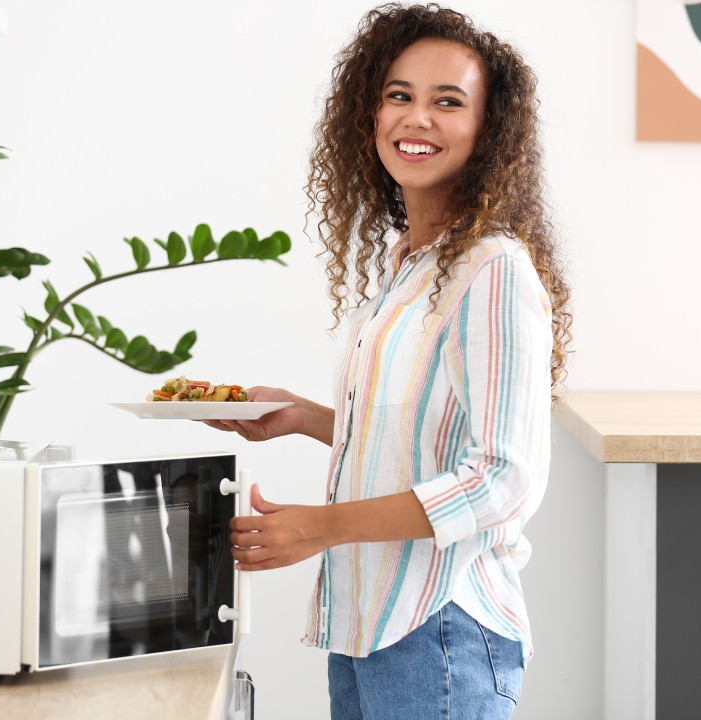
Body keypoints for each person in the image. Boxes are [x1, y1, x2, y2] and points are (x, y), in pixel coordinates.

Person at [204, 3, 571, 718]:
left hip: (440, 630)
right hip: (371, 624)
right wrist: (304, 417)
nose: (417, 118)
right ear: (370, 115)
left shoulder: (493, 269)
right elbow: (426, 443)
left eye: (448, 102)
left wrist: (319, 525)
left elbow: (502, 478)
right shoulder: (414, 265)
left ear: (487, 129)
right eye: (399, 95)